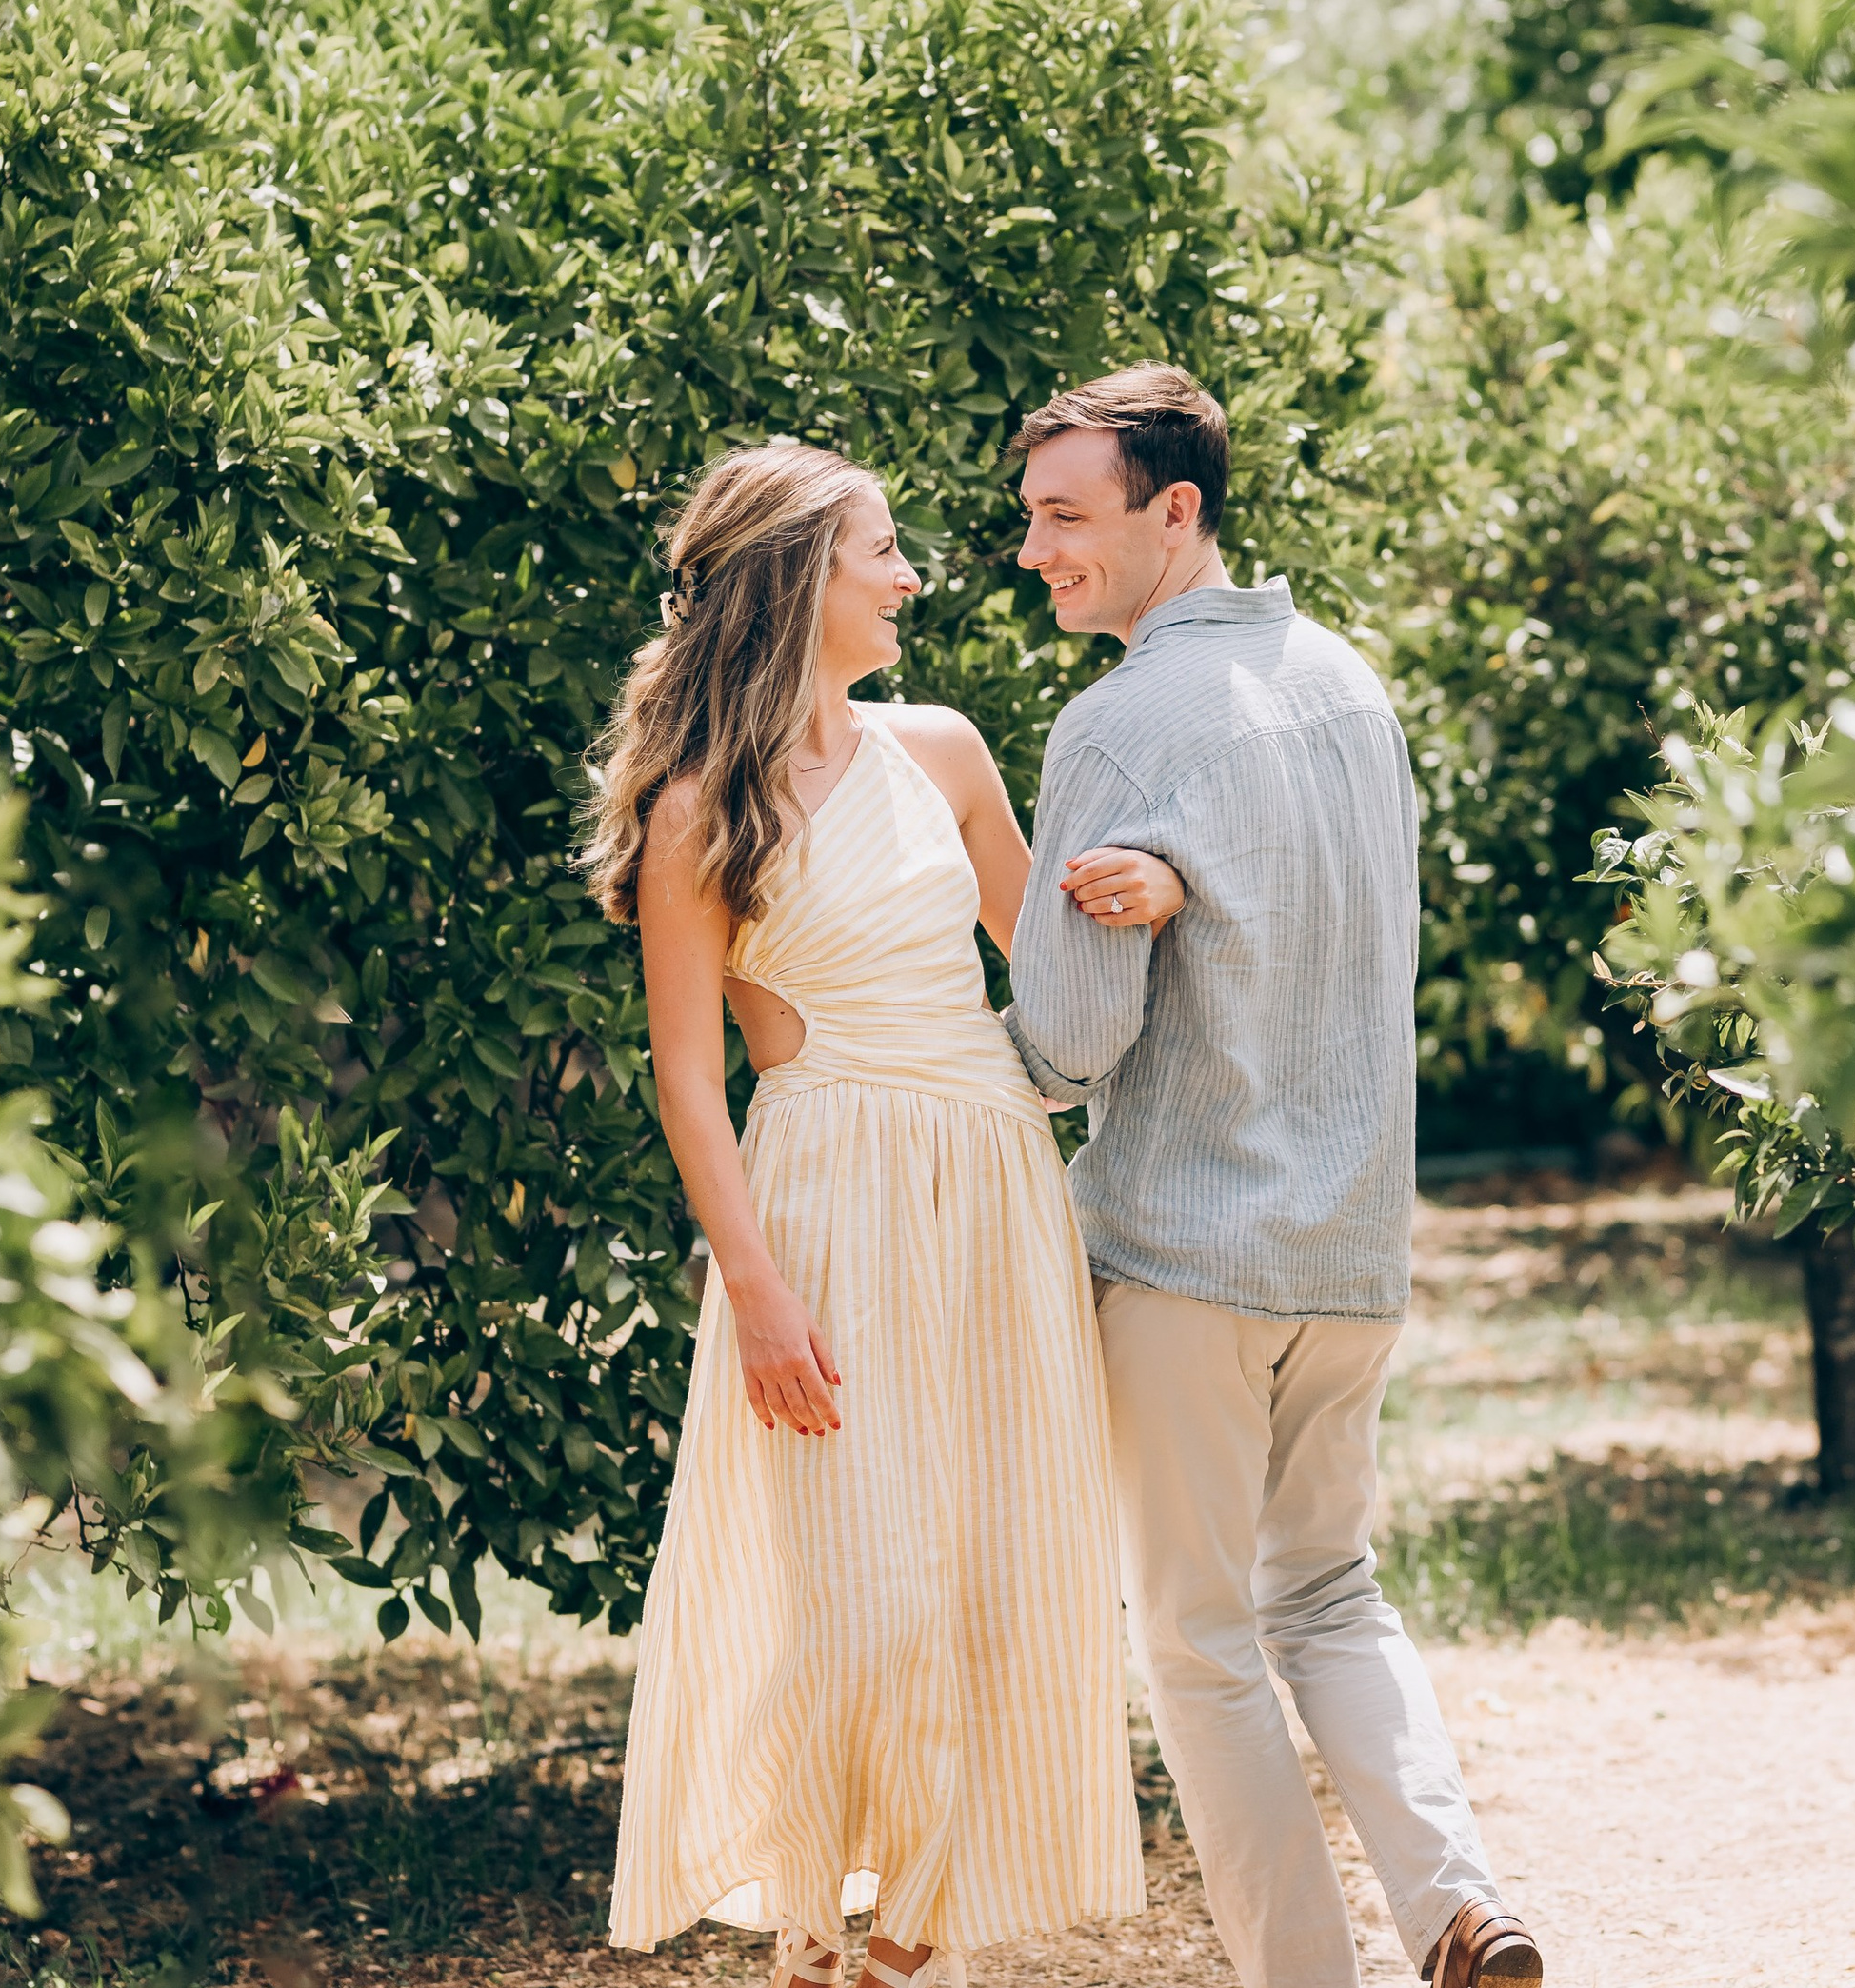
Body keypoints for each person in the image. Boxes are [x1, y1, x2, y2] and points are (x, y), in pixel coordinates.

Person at [584, 441, 1178, 1988]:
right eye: (883, 552)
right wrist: (760, 1293)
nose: (914, 576)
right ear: (796, 578)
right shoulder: (700, 808)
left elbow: (1056, 965)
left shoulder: (946, 748)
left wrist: (1160, 891)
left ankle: (903, 1950)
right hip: (827, 1202)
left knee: (988, 1563)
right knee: (861, 1588)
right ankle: (808, 1928)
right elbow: (690, 1086)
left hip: (991, 1185)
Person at [1001, 368, 1545, 1988]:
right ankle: (1459, 1905)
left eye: (1064, 517)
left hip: (1185, 1258)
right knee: (1331, 1593)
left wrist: (939, 1079)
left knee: (1199, 1645)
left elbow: (1073, 1043)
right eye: (1031, 517)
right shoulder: (1353, 687)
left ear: (1177, 513)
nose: (1034, 553)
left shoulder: (1113, 724)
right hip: (1356, 1246)